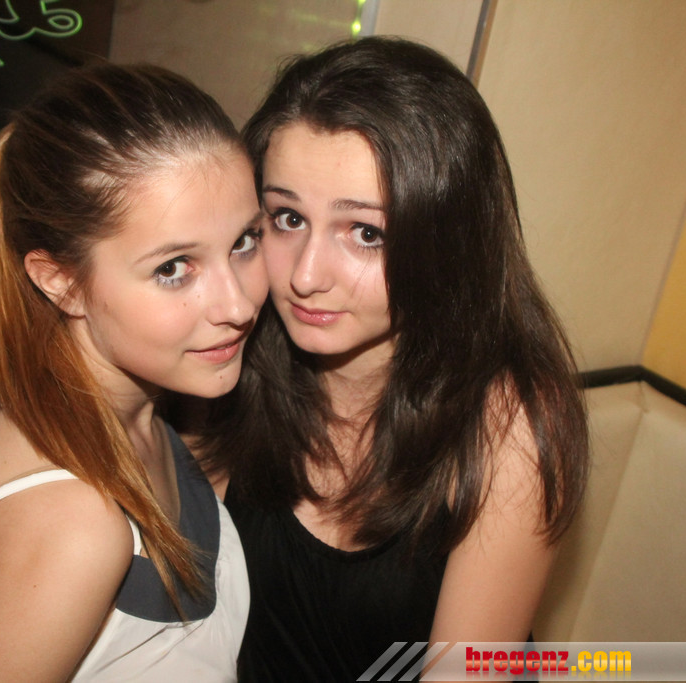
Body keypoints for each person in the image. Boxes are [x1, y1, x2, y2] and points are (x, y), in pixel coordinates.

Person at [196, 37, 590, 681]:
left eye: (366, 233)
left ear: (448, 240)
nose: (306, 275)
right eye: (287, 218)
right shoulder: (231, 353)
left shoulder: (505, 424)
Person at [0, 60, 267, 682]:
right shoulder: (76, 527)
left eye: (245, 241)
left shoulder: (104, 405)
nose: (239, 305)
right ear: (60, 281)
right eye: (173, 268)